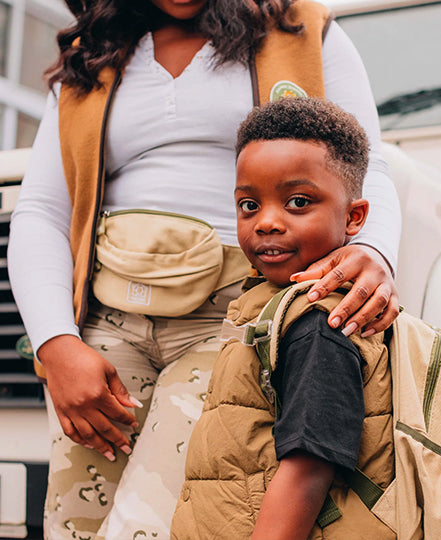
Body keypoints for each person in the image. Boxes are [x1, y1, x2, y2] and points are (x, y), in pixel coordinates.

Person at [7, 1, 400, 538]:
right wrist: (56, 342)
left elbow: (366, 163)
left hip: (234, 318)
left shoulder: (302, 29)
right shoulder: (89, 58)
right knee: (73, 527)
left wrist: (374, 251)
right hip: (104, 330)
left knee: (148, 527)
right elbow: (43, 209)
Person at [171, 97, 395, 540]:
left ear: (354, 218)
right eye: (249, 205)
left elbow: (309, 467)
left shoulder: (318, 324)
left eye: (297, 202)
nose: (266, 222)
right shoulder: (273, 304)